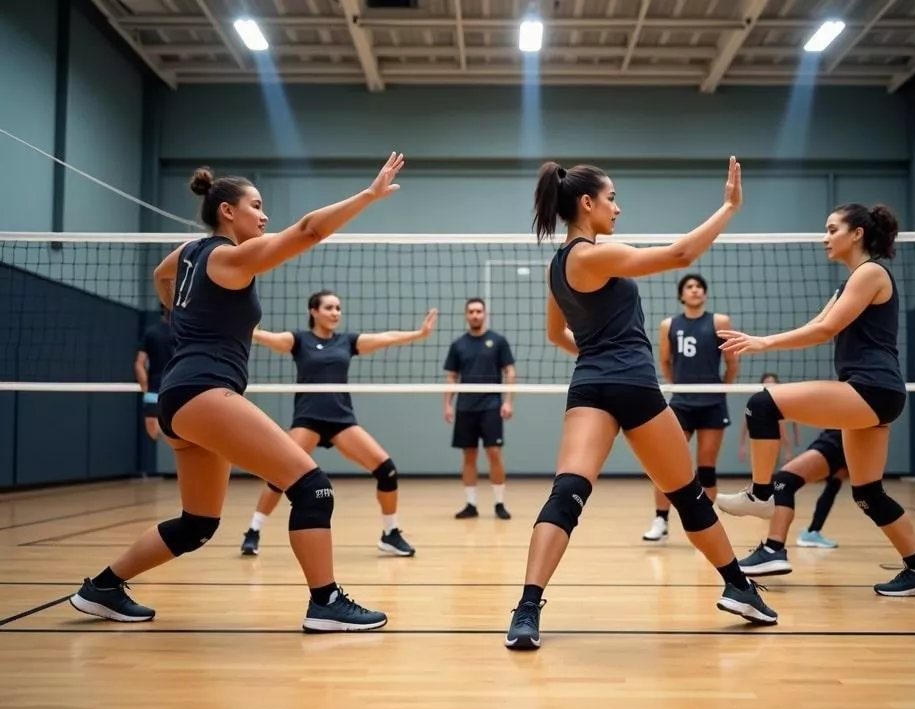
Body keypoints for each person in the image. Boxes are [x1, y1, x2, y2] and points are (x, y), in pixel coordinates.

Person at [68, 153, 406, 631]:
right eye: (257, 206)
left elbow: (161, 276)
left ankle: (102, 587)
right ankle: (325, 603)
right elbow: (309, 230)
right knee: (313, 488)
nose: (264, 216)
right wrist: (369, 195)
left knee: (198, 522)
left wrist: (180, 318)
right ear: (228, 211)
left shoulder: (189, 253)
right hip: (204, 391)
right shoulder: (228, 257)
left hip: (180, 397)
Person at [505, 156, 778, 650]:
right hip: (634, 385)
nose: (618, 208)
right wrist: (729, 207)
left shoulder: (557, 266)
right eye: (611, 198)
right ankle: (738, 586)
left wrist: (595, 356)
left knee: (568, 492)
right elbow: (681, 255)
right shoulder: (594, 255)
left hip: (589, 386)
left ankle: (526, 611)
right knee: (688, 495)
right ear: (586, 203)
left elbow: (555, 334)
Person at [714, 202, 915, 598]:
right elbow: (816, 325)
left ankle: (762, 495)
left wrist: (763, 342)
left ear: (857, 234)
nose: (825, 237)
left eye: (832, 229)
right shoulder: (849, 283)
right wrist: (761, 341)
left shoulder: (871, 273)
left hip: (871, 388)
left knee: (762, 404)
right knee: (868, 492)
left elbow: (825, 330)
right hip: (877, 393)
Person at [240, 292, 438, 558]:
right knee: (279, 475)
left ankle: (390, 533)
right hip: (308, 419)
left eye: (338, 308)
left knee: (387, 471)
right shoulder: (299, 340)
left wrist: (419, 334)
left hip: (341, 420)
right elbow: (266, 337)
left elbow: (386, 338)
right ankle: (253, 531)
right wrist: (246, 326)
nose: (335, 313)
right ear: (314, 311)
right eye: (329, 308)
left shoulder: (347, 342)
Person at [642, 273, 738, 542]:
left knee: (706, 466)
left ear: (704, 294)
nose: (695, 290)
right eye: (689, 287)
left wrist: (721, 390)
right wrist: (679, 386)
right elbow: (665, 361)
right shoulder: (669, 325)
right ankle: (661, 520)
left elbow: (732, 363)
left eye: (699, 287)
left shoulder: (719, 321)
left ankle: (706, 525)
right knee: (666, 463)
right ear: (681, 295)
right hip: (682, 403)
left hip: (712, 402)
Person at [724, 428, 846, 576]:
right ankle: (811, 531)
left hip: (840, 435)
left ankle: (773, 548)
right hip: (850, 436)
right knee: (860, 492)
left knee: (784, 481)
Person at [443, 298, 516, 520]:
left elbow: (510, 371)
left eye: (479, 311)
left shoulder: (498, 341)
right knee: (469, 455)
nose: (475, 315)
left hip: (491, 406)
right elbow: (452, 376)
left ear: (485, 314)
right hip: (465, 407)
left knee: (494, 452)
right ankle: (471, 504)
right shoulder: (458, 345)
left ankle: (499, 503)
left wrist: (508, 401)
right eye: (471, 311)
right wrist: (447, 404)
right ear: (466, 315)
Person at [737, 373, 800, 463]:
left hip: (774, 441)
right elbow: (746, 421)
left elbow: (791, 420)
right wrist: (742, 445)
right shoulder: (754, 402)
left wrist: (793, 442)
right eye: (766, 384)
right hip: (758, 440)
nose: (769, 387)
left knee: (772, 463)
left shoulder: (781, 402)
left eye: (771, 384)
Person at [134, 306, 173, 441]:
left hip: (155, 390)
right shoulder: (186, 334)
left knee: (154, 432)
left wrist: (146, 389)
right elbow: (139, 365)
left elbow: (139, 365)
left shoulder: (151, 333)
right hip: (177, 388)